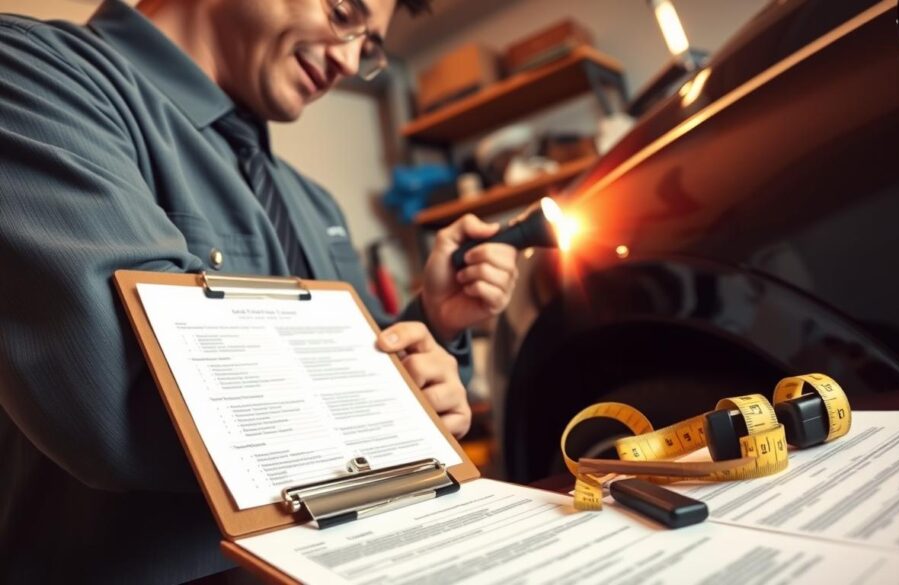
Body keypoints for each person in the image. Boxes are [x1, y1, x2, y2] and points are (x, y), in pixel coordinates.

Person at [0, 0, 519, 582]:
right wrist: (379, 413)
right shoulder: (28, 73)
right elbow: (115, 402)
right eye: (344, 12)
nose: (350, 60)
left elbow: (381, 378)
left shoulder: (313, 202)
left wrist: (434, 325)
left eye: (369, 47)